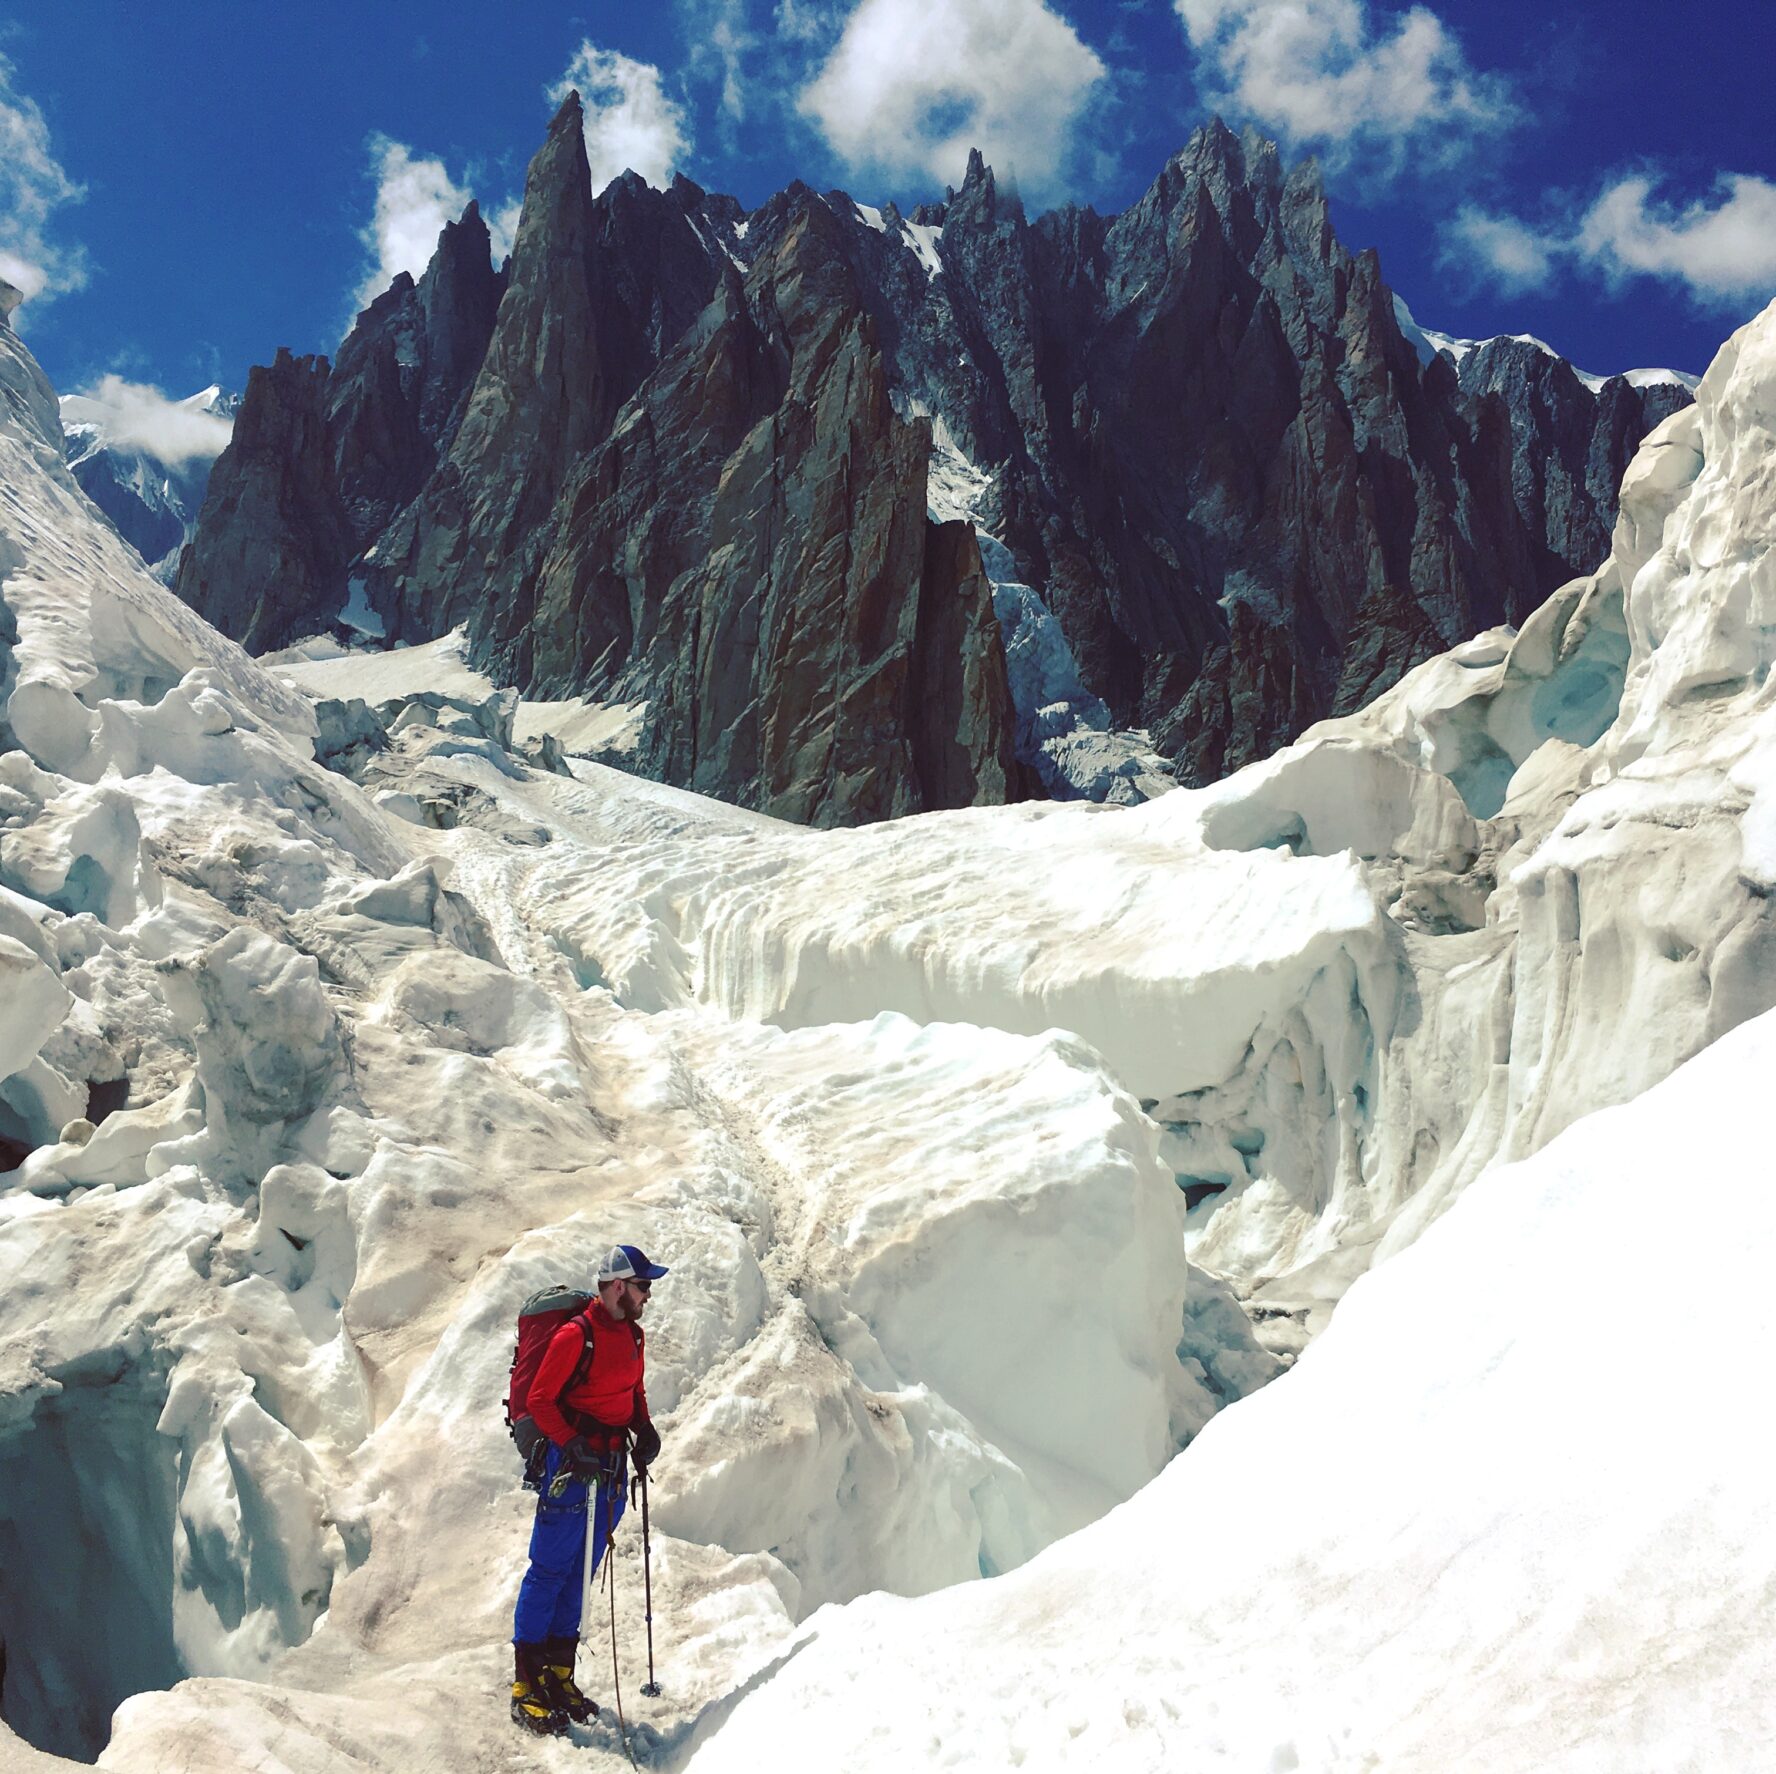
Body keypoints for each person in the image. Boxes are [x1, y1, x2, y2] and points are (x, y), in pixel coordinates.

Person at [510, 1243, 668, 1735]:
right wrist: (571, 1443)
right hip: (572, 1467)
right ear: (618, 1285)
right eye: (642, 1286)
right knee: (550, 1568)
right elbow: (541, 1399)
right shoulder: (576, 1336)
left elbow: (633, 1390)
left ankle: (559, 1674)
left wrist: (643, 1426)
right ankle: (527, 1683)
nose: (647, 1295)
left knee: (581, 1569)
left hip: (610, 1467)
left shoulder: (634, 1336)